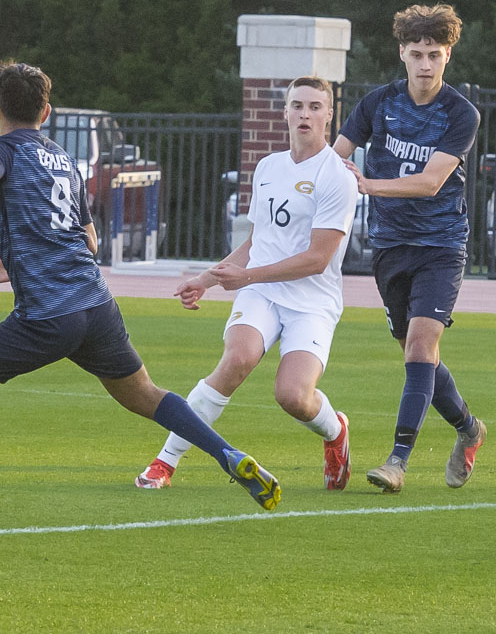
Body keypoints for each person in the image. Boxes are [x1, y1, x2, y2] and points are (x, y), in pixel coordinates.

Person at [0, 61, 281, 510]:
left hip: (47, 316)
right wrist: (16, 263)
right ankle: (228, 455)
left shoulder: (1, 150)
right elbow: (88, 239)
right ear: (46, 113)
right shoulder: (63, 159)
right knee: (147, 395)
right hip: (97, 306)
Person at [135, 76, 358, 492]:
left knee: (293, 396)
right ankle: (165, 462)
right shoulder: (269, 167)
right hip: (262, 292)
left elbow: (317, 259)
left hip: (312, 302)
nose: (305, 114)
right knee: (236, 360)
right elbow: (257, 242)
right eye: (297, 105)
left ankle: (335, 431)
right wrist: (207, 278)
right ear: (285, 112)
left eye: (314, 106)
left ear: (330, 115)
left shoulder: (337, 177)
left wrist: (246, 275)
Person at [331, 3, 486, 493]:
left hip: (441, 246)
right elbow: (336, 159)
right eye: (416, 53)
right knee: (417, 356)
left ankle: (397, 461)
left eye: (434, 55)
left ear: (448, 57)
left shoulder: (460, 113)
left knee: (422, 345)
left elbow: (431, 182)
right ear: (402, 53)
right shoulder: (378, 103)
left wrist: (367, 186)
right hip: (389, 246)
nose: (425, 64)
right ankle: (468, 428)